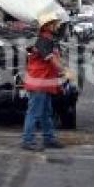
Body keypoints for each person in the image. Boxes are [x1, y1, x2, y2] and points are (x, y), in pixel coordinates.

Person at [21, 12, 66, 151]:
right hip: (39, 82)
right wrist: (65, 71)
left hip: (45, 82)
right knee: (34, 112)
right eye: (55, 24)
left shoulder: (48, 39)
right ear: (48, 26)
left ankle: (49, 138)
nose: (57, 26)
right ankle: (28, 140)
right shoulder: (44, 40)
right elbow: (52, 59)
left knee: (46, 112)